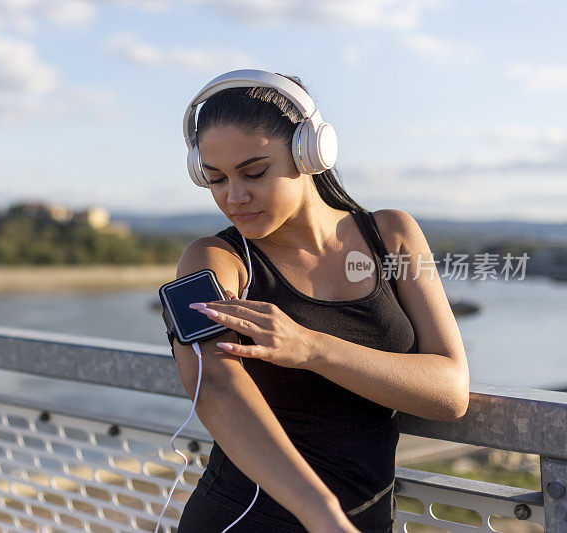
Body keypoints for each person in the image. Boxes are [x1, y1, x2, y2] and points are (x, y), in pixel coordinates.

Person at [168, 70, 470, 532]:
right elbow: (215, 387)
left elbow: (450, 392)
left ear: (311, 152)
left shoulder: (394, 236)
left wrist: (313, 348)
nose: (234, 196)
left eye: (254, 172)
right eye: (215, 179)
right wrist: (323, 515)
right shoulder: (212, 259)